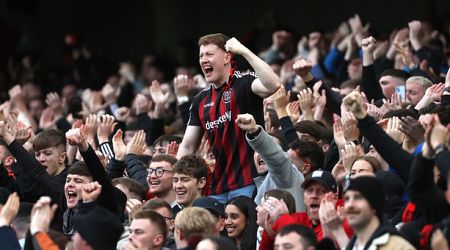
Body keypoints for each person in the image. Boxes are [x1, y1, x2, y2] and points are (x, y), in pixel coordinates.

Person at [177, 33, 281, 203]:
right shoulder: (199, 100)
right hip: (217, 187)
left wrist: (244, 51)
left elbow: (274, 84)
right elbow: (188, 145)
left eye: (209, 54)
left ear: (226, 57)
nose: (203, 60)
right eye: (201, 56)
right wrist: (179, 178)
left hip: (250, 182)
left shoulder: (245, 83)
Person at [235, 113, 305, 212]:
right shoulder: (256, 187)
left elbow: (277, 160)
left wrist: (255, 131)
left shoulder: (287, 176)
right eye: (257, 150)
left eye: (265, 151)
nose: (260, 154)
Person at [344, 176, 415, 249]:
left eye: (358, 197)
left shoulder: (398, 247)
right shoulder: (352, 246)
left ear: (374, 204)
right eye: (347, 199)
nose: (350, 205)